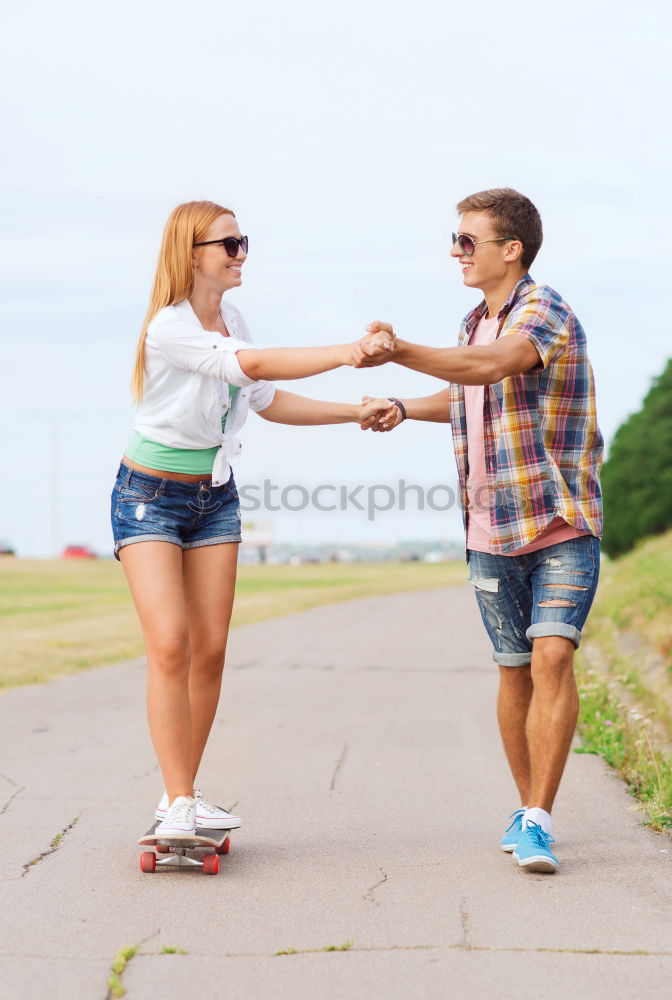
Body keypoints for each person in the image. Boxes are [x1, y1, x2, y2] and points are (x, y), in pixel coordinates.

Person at [113, 200, 394, 838]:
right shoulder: (169, 327)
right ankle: (180, 802)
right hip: (149, 493)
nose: (242, 254)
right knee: (170, 644)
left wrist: (356, 412)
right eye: (229, 245)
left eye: (245, 242)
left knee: (210, 651)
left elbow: (265, 399)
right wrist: (350, 351)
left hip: (215, 495)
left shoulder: (232, 316)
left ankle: (179, 797)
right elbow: (255, 366)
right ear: (191, 253)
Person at [357, 188, 603, 874]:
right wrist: (405, 406)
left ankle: (539, 819)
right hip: (488, 525)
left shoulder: (542, 309)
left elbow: (493, 368)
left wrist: (400, 349)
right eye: (456, 240)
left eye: (468, 240)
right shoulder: (472, 322)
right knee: (514, 668)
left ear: (510, 249)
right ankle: (529, 810)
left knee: (553, 654)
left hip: (558, 518)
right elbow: (467, 387)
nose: (456, 252)